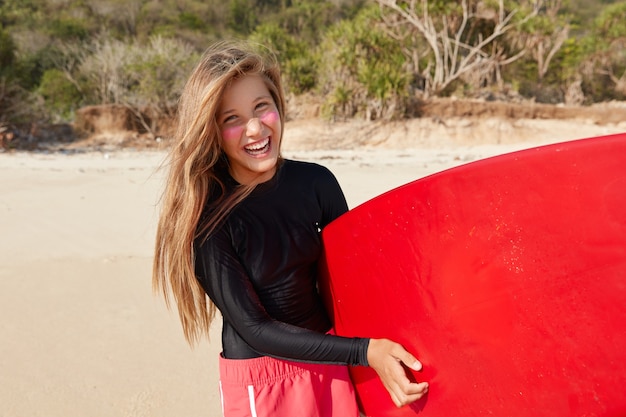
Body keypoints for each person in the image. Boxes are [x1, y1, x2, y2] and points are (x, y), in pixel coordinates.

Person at [152, 40, 429, 416]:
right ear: (212, 132)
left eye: (261, 107)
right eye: (231, 119)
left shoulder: (316, 183)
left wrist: (376, 350)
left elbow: (351, 284)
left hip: (335, 360)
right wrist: (365, 351)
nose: (254, 129)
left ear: (278, 106)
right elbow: (255, 329)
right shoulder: (208, 219)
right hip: (265, 381)